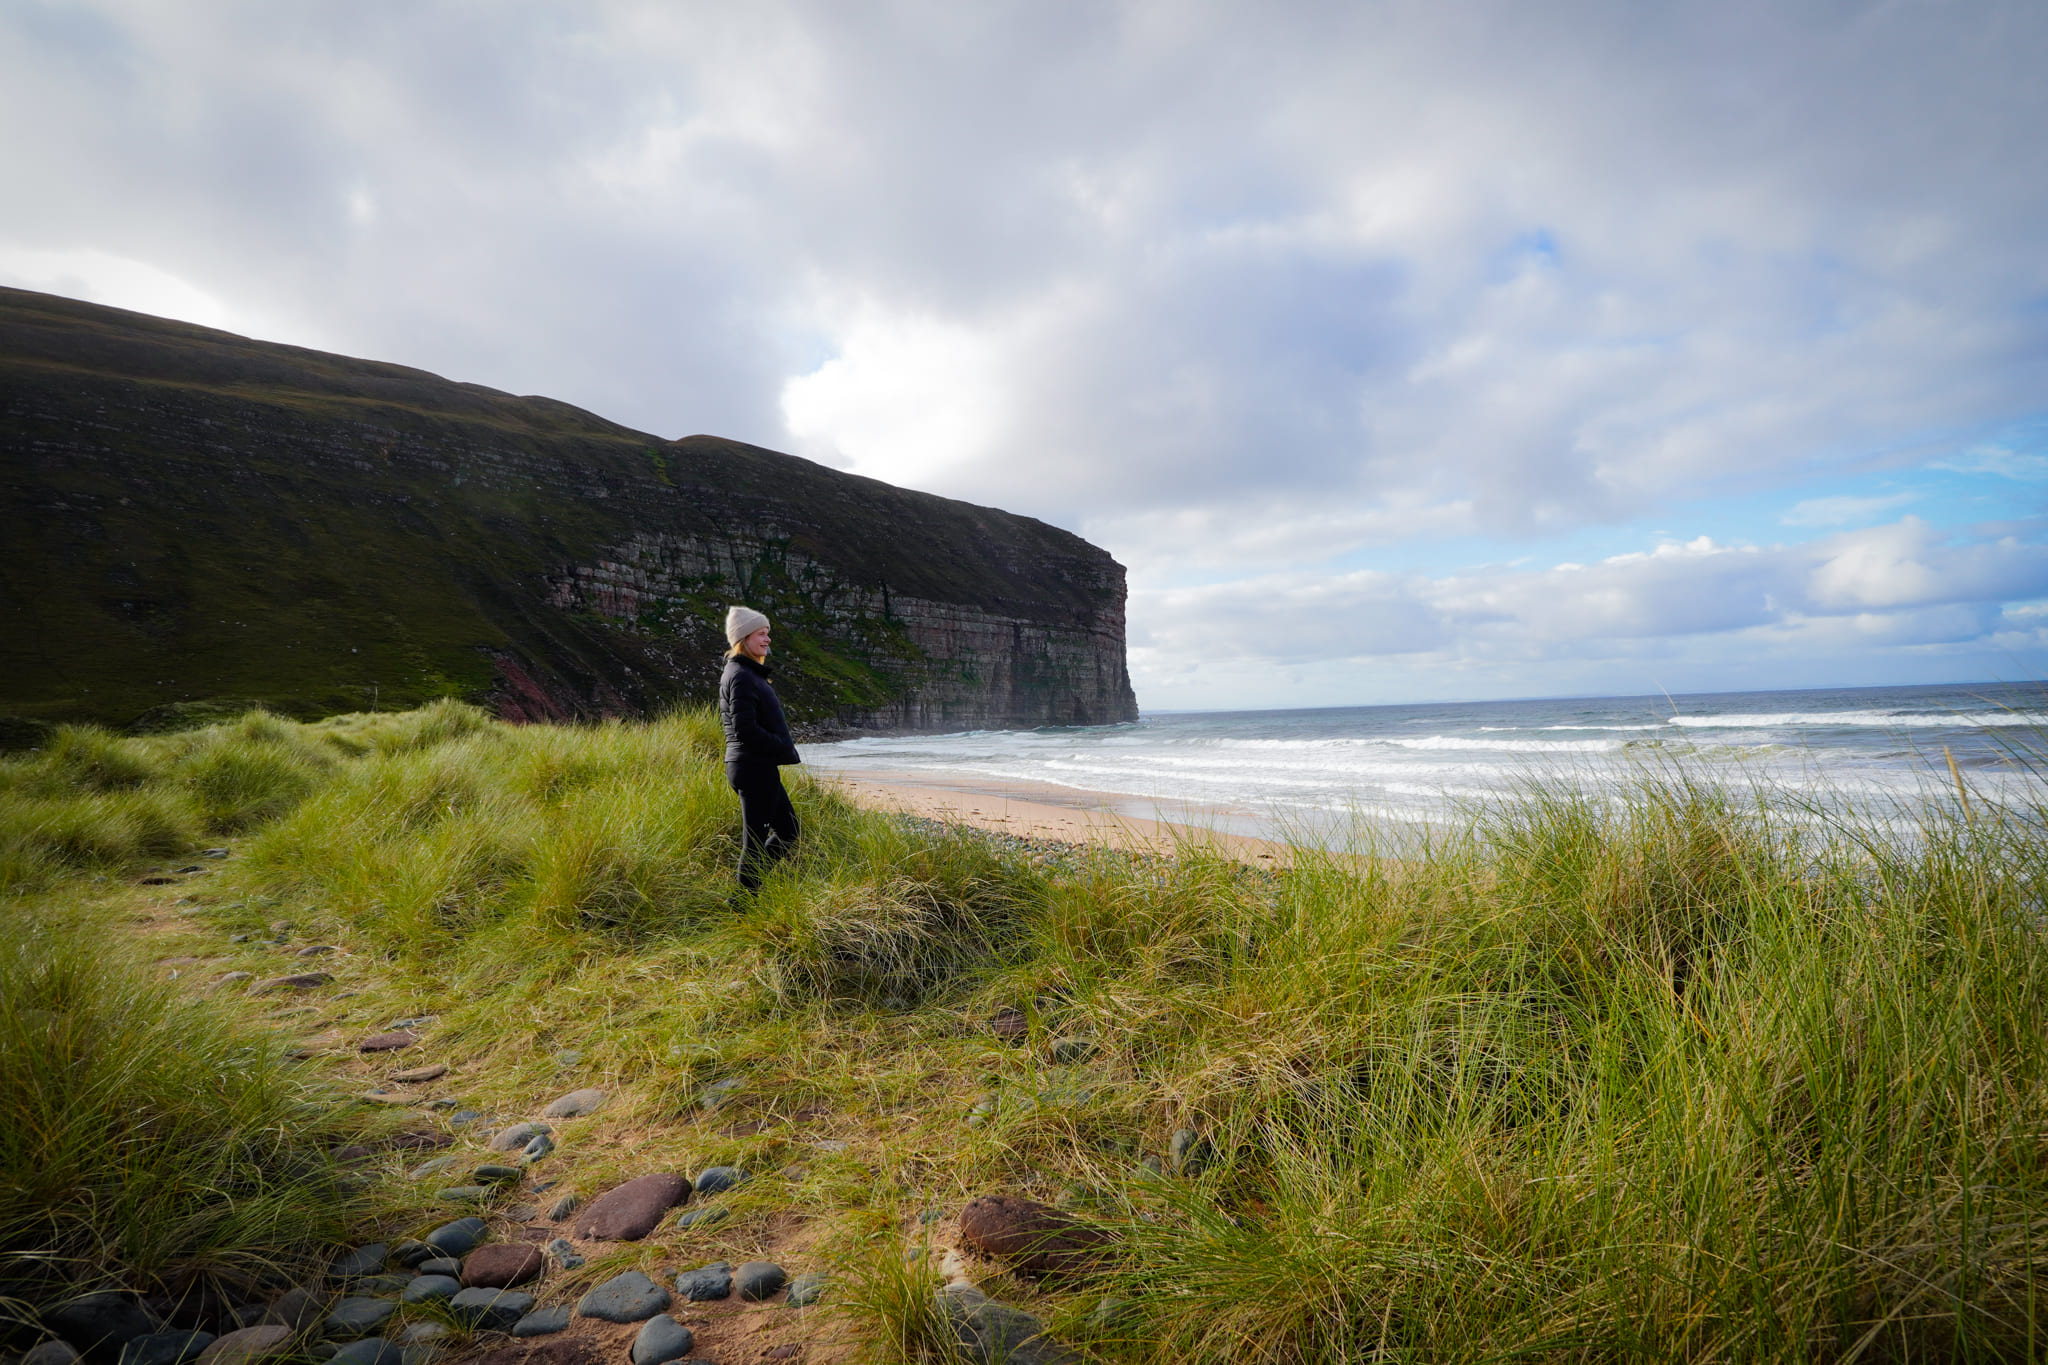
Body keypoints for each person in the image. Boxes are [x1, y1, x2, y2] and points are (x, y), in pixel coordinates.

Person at [718, 605, 802, 891]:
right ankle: (743, 901)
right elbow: (745, 729)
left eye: (768, 634)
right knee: (754, 842)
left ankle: (751, 888)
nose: (767, 640)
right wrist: (781, 745)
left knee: (789, 830)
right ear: (743, 638)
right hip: (753, 768)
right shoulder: (741, 675)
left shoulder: (746, 672)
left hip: (756, 766)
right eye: (761, 634)